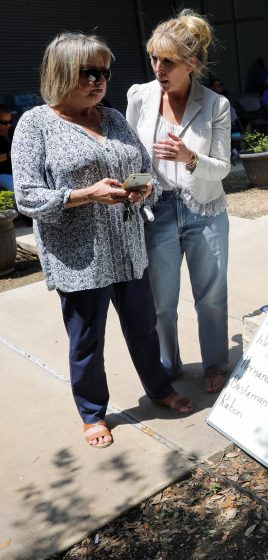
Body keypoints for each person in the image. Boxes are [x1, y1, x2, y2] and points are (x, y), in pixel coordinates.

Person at [11, 32, 195, 449]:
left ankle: (159, 389)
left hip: (128, 248)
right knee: (87, 341)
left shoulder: (112, 118)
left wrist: (143, 188)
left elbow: (143, 166)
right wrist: (86, 195)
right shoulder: (36, 125)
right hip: (79, 257)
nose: (99, 81)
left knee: (144, 329)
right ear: (61, 73)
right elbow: (28, 197)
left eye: (105, 73)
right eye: (88, 73)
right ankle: (92, 413)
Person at [127, 9, 232, 394]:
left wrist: (190, 157)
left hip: (204, 210)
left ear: (191, 63)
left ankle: (215, 364)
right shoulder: (140, 97)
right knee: (161, 302)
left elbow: (221, 168)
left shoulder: (216, 105)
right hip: (157, 212)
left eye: (168, 61)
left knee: (211, 298)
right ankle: (166, 367)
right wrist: (135, 186)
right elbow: (131, 156)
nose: (158, 68)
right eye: (154, 58)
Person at [0, 105, 13, 190]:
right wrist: (8, 155)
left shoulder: (12, 131)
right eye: (3, 123)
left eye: (10, 122)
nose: (8, 125)